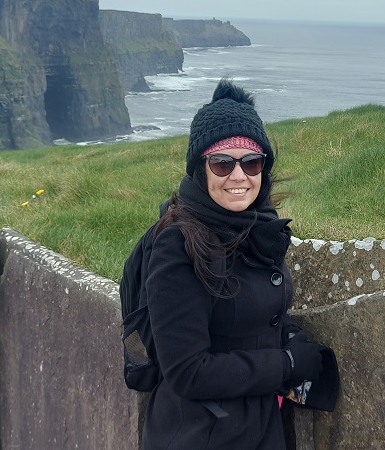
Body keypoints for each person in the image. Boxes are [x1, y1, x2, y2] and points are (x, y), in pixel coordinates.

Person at [135, 79, 332, 449]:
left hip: (255, 426)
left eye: (251, 162)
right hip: (199, 436)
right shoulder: (177, 245)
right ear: (201, 168)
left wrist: (285, 333)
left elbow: (244, 310)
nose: (239, 176)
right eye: (222, 163)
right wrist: (286, 364)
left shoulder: (256, 228)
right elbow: (188, 372)